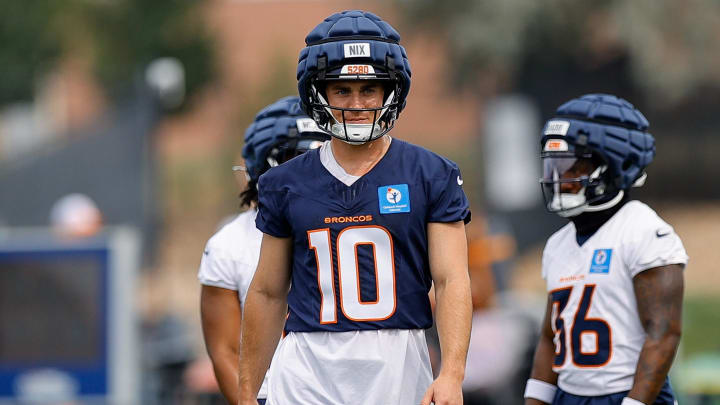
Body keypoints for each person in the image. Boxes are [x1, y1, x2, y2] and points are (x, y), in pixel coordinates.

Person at [239, 10, 473, 405]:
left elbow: (452, 280)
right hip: (307, 368)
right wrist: (247, 391)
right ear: (319, 93)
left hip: (397, 363)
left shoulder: (431, 173)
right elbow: (266, 291)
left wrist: (452, 373)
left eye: (369, 89)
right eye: (342, 90)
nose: (357, 102)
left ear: (390, 92)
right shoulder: (284, 182)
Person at [524, 94, 688, 405]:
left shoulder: (643, 232)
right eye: (554, 167)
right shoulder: (557, 244)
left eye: (572, 168)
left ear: (614, 166)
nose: (560, 179)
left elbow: (663, 334)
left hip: (628, 394)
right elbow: (550, 337)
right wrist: (536, 400)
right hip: (569, 395)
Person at [197, 96, 329, 405]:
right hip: (274, 393)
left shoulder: (354, 222)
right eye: (293, 159)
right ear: (261, 166)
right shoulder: (229, 245)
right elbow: (225, 351)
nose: (305, 172)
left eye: (318, 158)